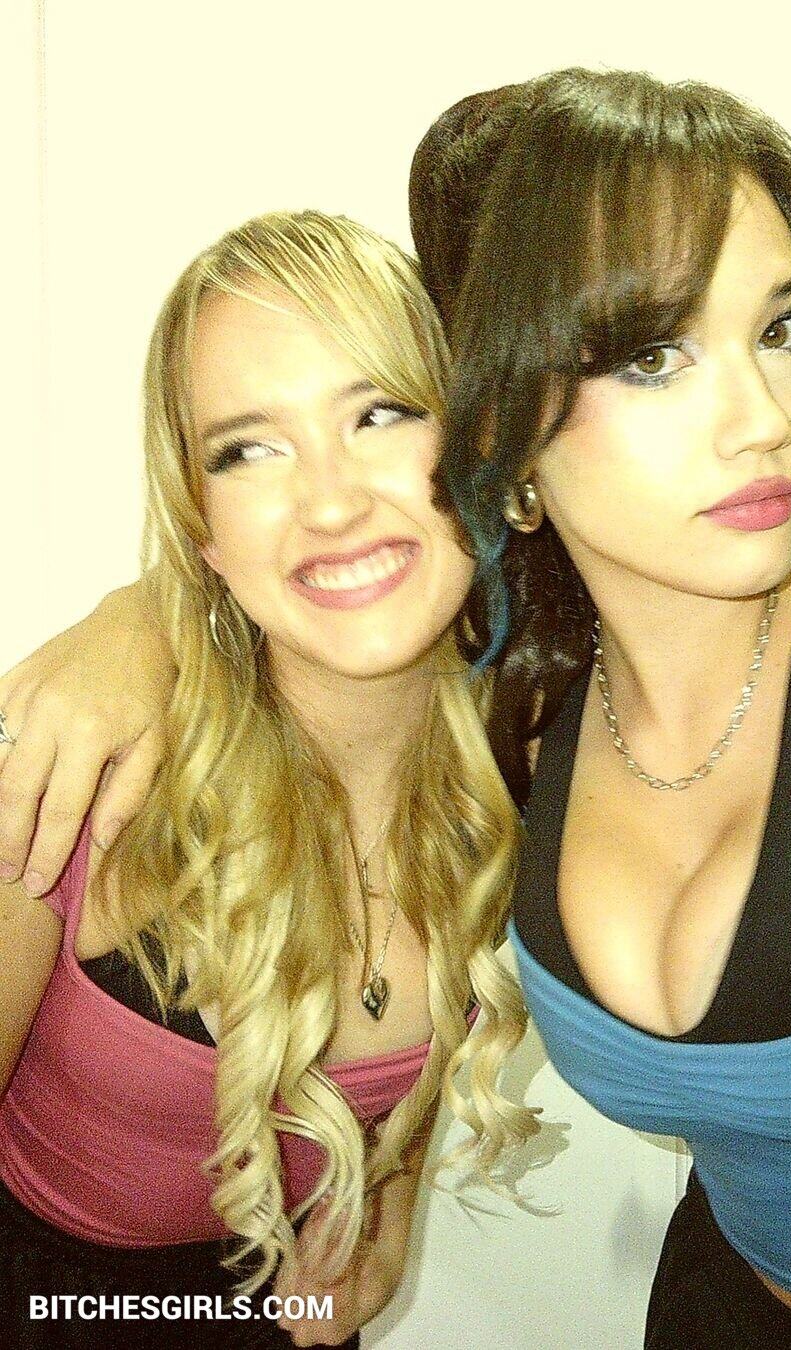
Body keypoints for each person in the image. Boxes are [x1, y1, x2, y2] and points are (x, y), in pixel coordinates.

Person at [3, 68, 791, 1349]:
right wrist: (131, 625)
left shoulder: (566, 713)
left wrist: (386, 1185)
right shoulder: (108, 768)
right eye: (653, 355)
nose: (764, 423)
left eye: (785, 329)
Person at [0, 210, 535, 1348]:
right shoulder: (73, 784)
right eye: (249, 448)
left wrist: (382, 1206)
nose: (331, 502)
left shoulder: (528, 766)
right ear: (202, 529)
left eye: (380, 413)